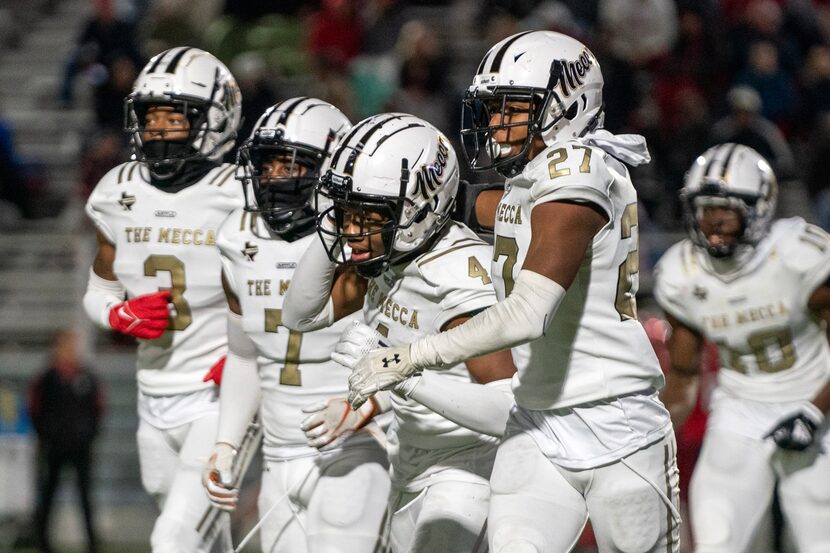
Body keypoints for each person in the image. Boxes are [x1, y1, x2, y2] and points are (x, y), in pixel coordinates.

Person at [345, 31, 681, 553]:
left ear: (568, 105)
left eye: (512, 108)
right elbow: (479, 207)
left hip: (617, 420)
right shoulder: (534, 181)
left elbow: (528, 313)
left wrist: (412, 357)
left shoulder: (580, 171)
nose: (496, 123)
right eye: (493, 108)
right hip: (535, 421)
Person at [282, 113, 517, 553]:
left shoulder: (457, 277)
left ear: (419, 209)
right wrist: (375, 399)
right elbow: (299, 315)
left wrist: (400, 375)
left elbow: (507, 409)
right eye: (345, 212)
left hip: (468, 469)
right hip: (408, 460)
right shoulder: (393, 255)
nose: (351, 230)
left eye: (367, 213)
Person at [201, 97, 391, 553]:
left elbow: (412, 344)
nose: (275, 178)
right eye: (267, 165)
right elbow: (247, 355)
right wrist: (225, 444)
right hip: (278, 456)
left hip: (356, 448)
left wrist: (372, 404)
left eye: (292, 165)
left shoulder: (364, 240)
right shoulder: (236, 239)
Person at [81, 47, 243, 553]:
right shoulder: (118, 192)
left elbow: (278, 291)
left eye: (175, 116)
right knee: (201, 538)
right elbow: (100, 287)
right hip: (153, 396)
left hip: (217, 397)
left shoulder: (239, 194)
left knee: (174, 539)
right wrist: (118, 312)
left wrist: (247, 355)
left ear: (215, 120)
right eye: (151, 117)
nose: (158, 130)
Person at [654, 143, 830, 553]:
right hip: (738, 412)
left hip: (814, 404)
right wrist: (654, 432)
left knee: (820, 541)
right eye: (705, 207)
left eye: (727, 210)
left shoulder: (798, 256)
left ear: (760, 208)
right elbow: (683, 375)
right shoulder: (681, 274)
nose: (713, 221)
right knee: (716, 538)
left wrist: (814, 410)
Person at [29, 329, 104, 553]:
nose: (70, 350)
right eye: (66, 345)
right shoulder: (46, 378)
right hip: (53, 447)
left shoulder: (87, 377)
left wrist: (88, 435)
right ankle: (42, 543)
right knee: (47, 495)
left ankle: (92, 544)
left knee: (85, 497)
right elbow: (34, 409)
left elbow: (98, 409)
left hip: (81, 447)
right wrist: (46, 435)